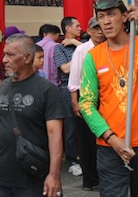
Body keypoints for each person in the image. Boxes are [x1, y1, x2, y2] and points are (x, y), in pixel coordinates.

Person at [79, 0, 138, 197]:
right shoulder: (93, 57)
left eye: (111, 15)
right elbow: (86, 104)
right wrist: (111, 138)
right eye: (101, 16)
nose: (106, 21)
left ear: (124, 16)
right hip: (109, 146)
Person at [0, 34, 66, 196]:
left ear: (27, 58)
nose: (4, 60)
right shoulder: (3, 86)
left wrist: (53, 175)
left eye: (10, 55)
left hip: (33, 176)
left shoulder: (47, 90)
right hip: (0, 176)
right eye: (4, 54)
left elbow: (55, 135)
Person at [68, 17, 105, 192]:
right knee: (87, 142)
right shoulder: (82, 50)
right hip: (86, 100)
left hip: (106, 99)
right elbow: (74, 78)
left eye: (101, 28)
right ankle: (90, 180)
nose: (99, 32)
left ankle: (103, 176)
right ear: (89, 31)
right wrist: (75, 103)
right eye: (95, 29)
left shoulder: (108, 47)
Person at [54, 16, 83, 177]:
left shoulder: (81, 44)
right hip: (67, 91)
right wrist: (80, 55)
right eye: (77, 26)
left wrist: (77, 45)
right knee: (70, 128)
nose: (80, 28)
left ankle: (85, 158)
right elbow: (65, 69)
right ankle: (72, 160)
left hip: (85, 89)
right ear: (67, 29)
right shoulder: (59, 48)